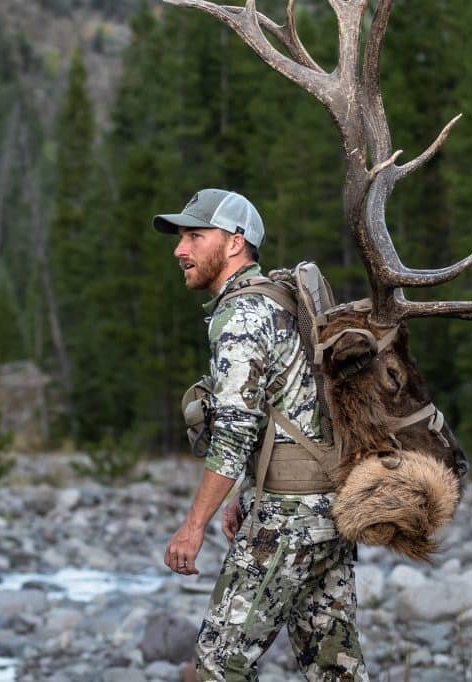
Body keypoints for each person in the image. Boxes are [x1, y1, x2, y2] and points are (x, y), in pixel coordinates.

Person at [154, 188, 368, 681]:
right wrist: (249, 492)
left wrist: (192, 528)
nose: (179, 250)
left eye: (194, 236)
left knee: (216, 664)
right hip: (328, 509)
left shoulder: (242, 316)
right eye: (181, 238)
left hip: (288, 519)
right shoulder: (281, 300)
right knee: (334, 665)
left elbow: (233, 434)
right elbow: (293, 410)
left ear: (234, 243)